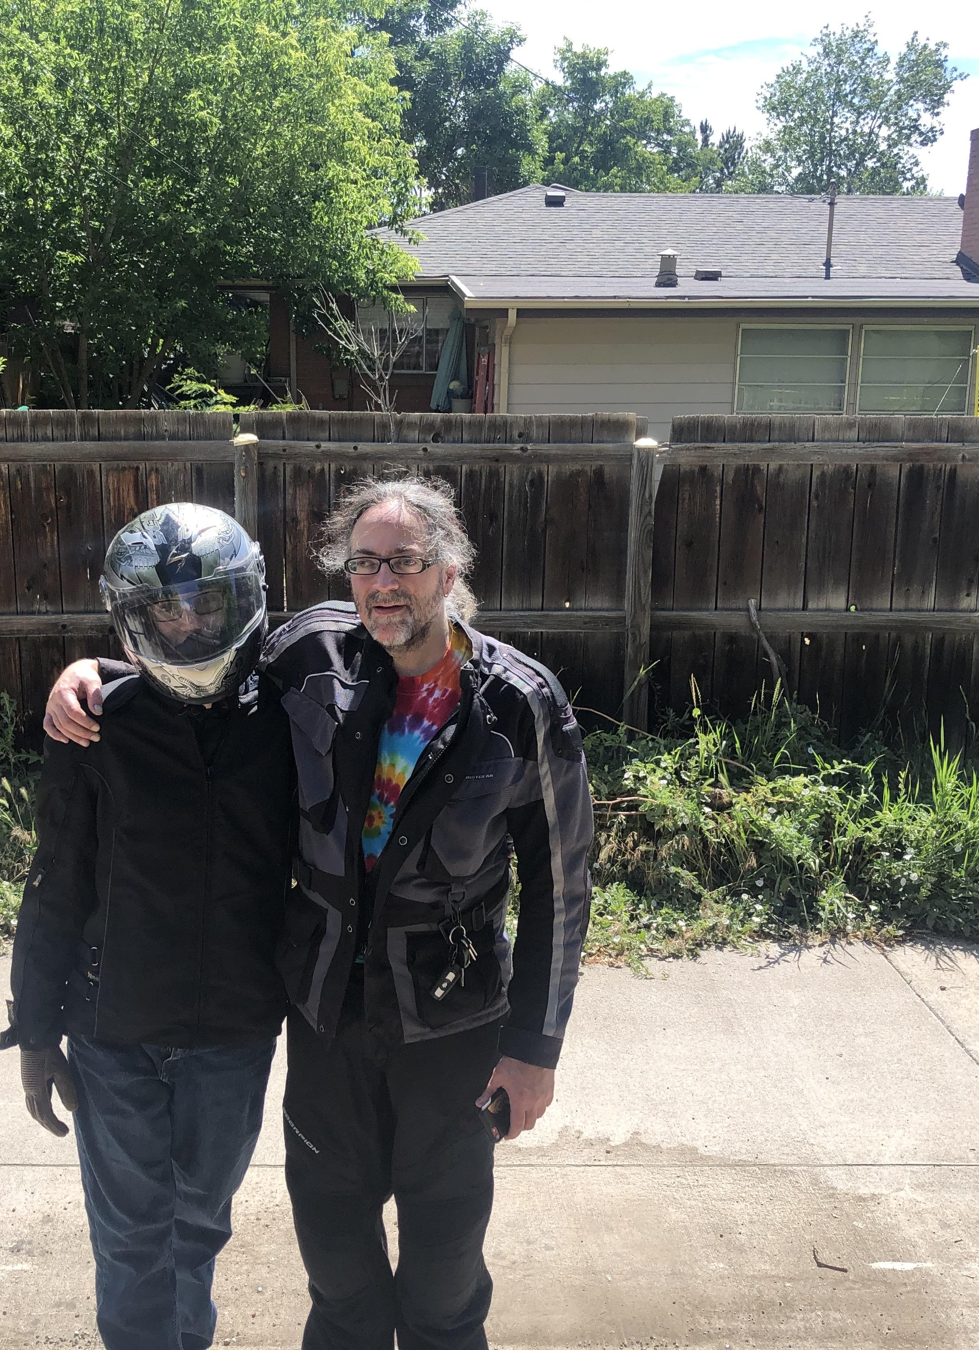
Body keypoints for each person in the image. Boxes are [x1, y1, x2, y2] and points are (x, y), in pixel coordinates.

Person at [45, 475, 595, 1350]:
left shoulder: (520, 703)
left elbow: (562, 889)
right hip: (325, 1017)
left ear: (449, 571)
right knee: (338, 1273)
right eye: (365, 563)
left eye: (405, 562)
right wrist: (92, 676)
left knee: (444, 1278)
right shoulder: (309, 654)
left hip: (451, 1028)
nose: (384, 583)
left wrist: (535, 1049)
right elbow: (196, 664)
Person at [1, 502, 295, 1350]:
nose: (190, 623)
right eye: (167, 608)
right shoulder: (97, 724)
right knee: (132, 1240)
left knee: (198, 1226)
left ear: (245, 599)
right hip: (114, 1028)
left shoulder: (289, 715)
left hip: (233, 1028)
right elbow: (56, 880)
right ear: (134, 617)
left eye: (208, 602)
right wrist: (34, 1033)